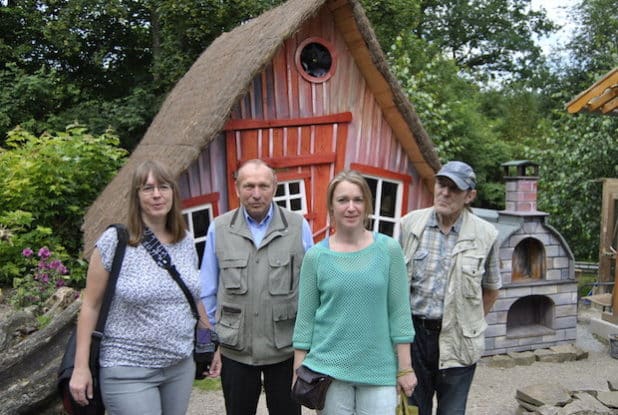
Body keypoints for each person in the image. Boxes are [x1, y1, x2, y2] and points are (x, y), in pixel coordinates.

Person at [69, 160, 219, 415]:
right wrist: (80, 367)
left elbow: (194, 300)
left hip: (179, 367)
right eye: (148, 188)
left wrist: (206, 345)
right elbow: (90, 306)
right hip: (128, 370)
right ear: (136, 196)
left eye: (163, 187)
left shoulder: (185, 240)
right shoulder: (115, 242)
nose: (157, 194)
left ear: (173, 192)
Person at [293, 170, 417, 414]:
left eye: (357, 200)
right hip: (329, 370)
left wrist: (405, 367)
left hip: (378, 370)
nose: (351, 207)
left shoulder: (389, 250)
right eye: (342, 200)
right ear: (331, 206)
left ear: (367, 204)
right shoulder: (316, 256)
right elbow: (305, 318)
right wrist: (299, 367)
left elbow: (400, 312)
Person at [199, 159, 314, 415]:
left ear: (274, 187)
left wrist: (309, 347)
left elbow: (312, 290)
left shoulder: (297, 227)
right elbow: (206, 292)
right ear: (237, 188)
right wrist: (207, 345)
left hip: (285, 349)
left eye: (263, 185)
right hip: (235, 350)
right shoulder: (219, 228)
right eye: (249, 186)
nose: (256, 194)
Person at [400, 161, 501, 415]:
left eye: (454, 189)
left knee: (452, 412)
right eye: (441, 185)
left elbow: (491, 289)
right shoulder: (409, 225)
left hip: (458, 340)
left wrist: (468, 324)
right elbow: (395, 287)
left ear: (470, 196)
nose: (444, 193)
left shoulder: (486, 235)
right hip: (415, 338)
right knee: (413, 410)